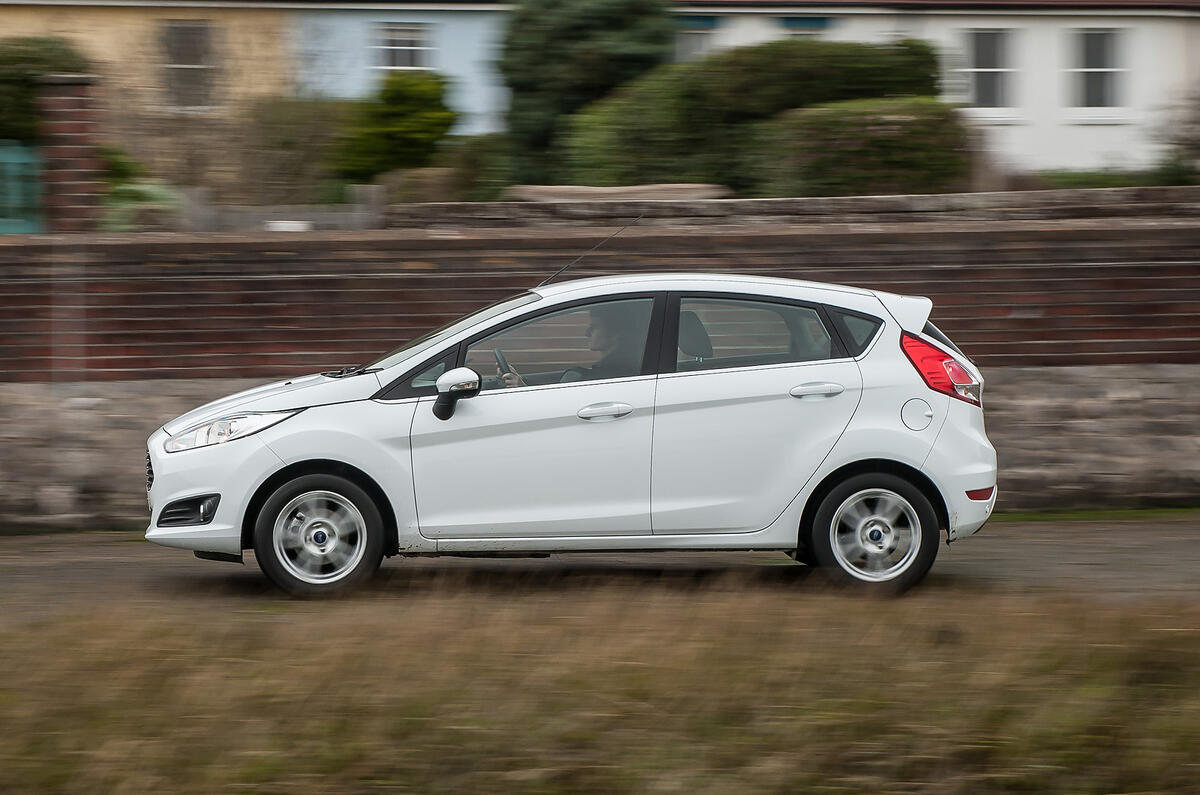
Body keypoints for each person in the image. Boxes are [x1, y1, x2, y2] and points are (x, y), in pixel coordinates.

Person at [499, 304, 644, 388]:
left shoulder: (611, 374)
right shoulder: (616, 369)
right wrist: (522, 384)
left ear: (617, 332)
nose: (587, 333)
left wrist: (522, 387)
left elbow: (556, 410)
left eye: (595, 327)